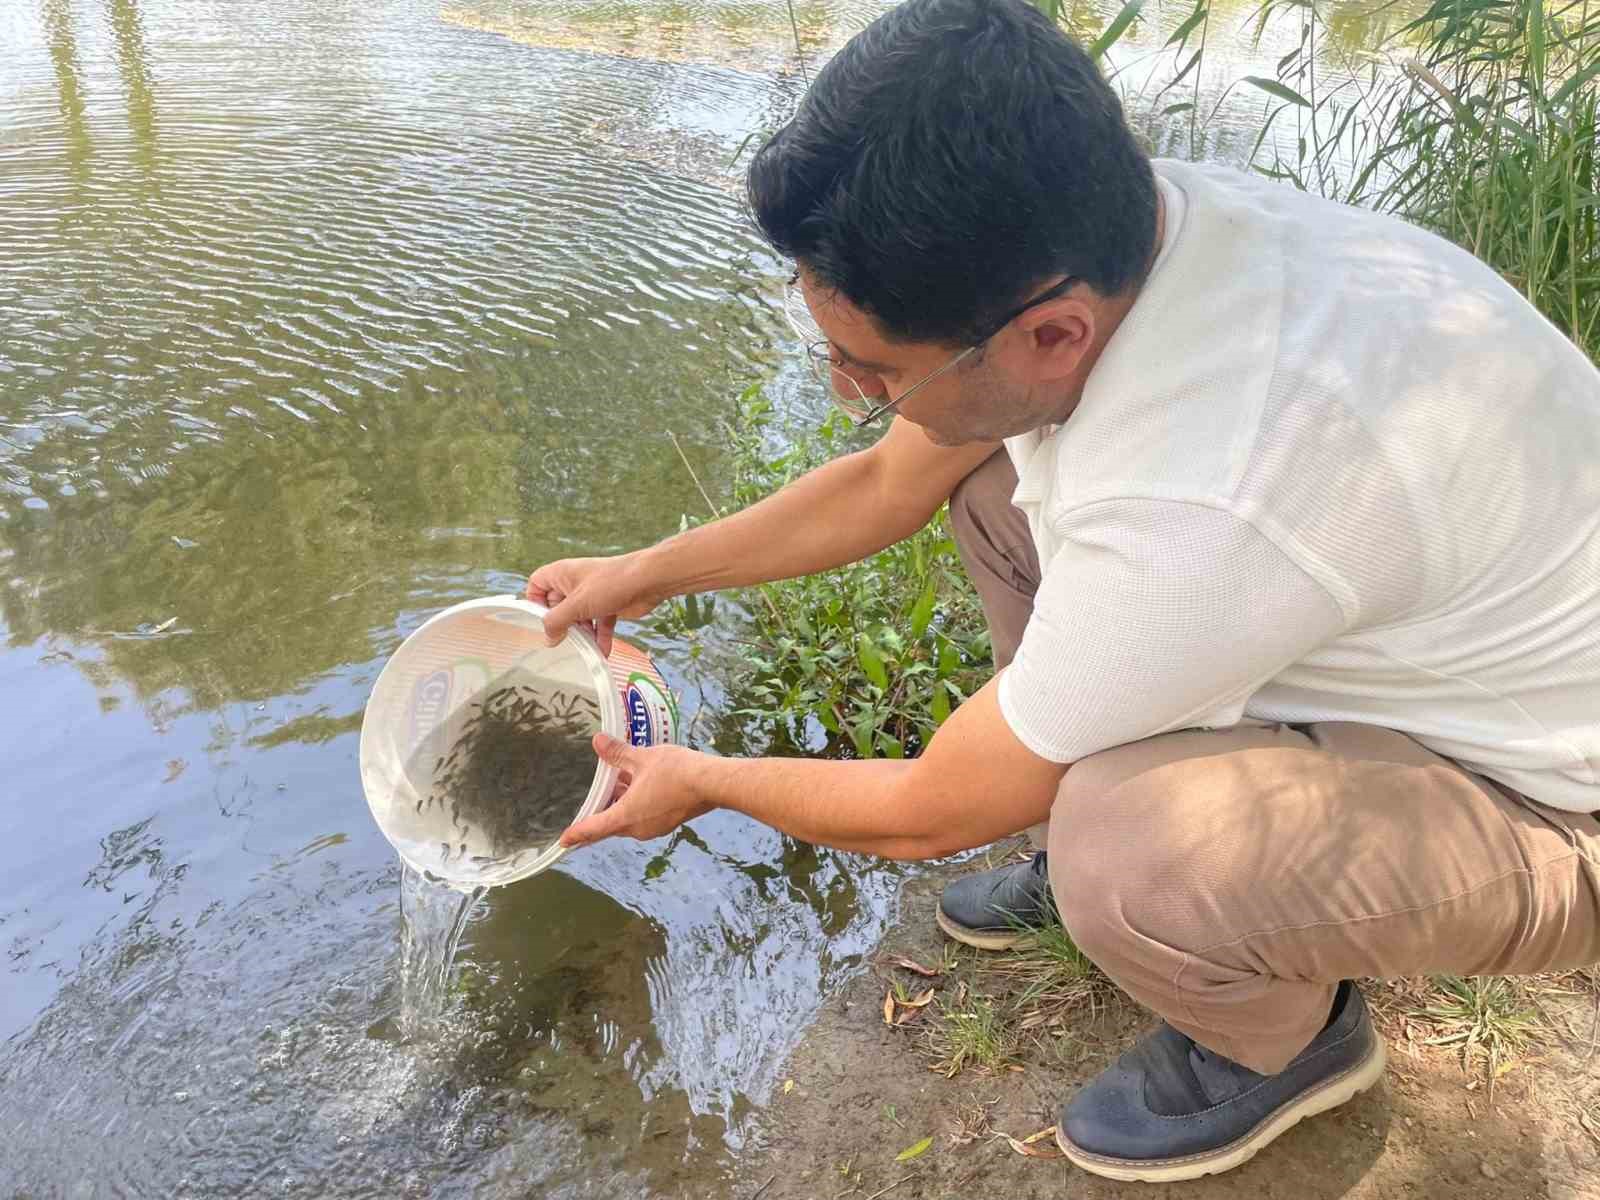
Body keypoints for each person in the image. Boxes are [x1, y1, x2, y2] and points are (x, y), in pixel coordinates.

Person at [526, 0, 1600, 1181]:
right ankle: (1140, 829)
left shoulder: (1208, 486)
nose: (843, 393)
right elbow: (881, 486)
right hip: (1411, 644)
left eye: (870, 371)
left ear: (1050, 333)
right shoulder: (1131, 232)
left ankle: (1281, 1042)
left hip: (1552, 802)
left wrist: (699, 781)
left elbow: (936, 806)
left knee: (1122, 846)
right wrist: (638, 576)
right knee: (983, 478)